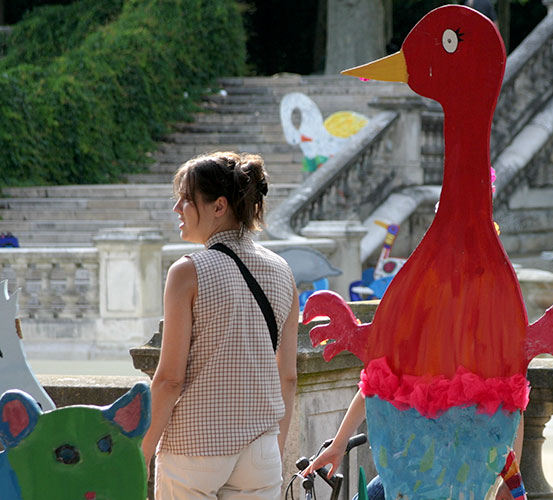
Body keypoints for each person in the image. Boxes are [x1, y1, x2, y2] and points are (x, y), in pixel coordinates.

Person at [141, 151, 299, 500]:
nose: (177, 209)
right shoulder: (283, 272)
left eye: (186, 199)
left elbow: (169, 380)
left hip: (194, 447)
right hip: (261, 450)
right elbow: (287, 377)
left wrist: (142, 452)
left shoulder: (187, 272)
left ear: (219, 206)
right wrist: (275, 446)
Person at [303, 389, 523, 500]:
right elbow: (374, 383)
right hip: (415, 473)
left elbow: (514, 409)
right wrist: (338, 445)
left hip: (461, 480)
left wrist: (510, 479)